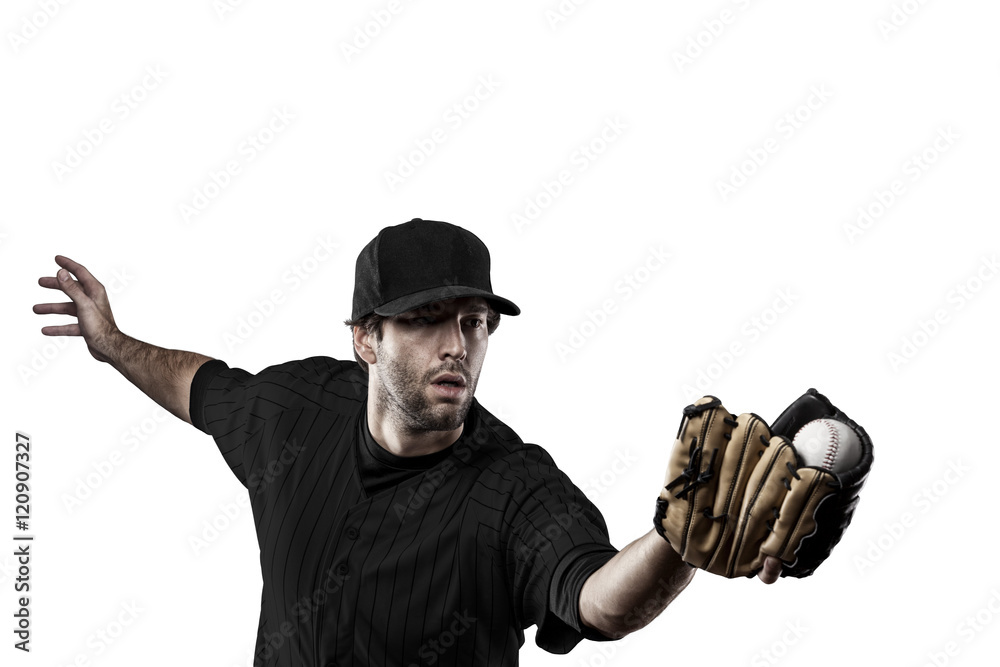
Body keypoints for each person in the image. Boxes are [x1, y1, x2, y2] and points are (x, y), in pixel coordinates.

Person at [34, 218, 780, 666]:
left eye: (474, 322)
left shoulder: (514, 487)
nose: (457, 344)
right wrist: (112, 342)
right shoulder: (293, 412)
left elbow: (597, 599)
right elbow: (202, 387)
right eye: (426, 319)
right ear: (367, 338)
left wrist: (677, 545)